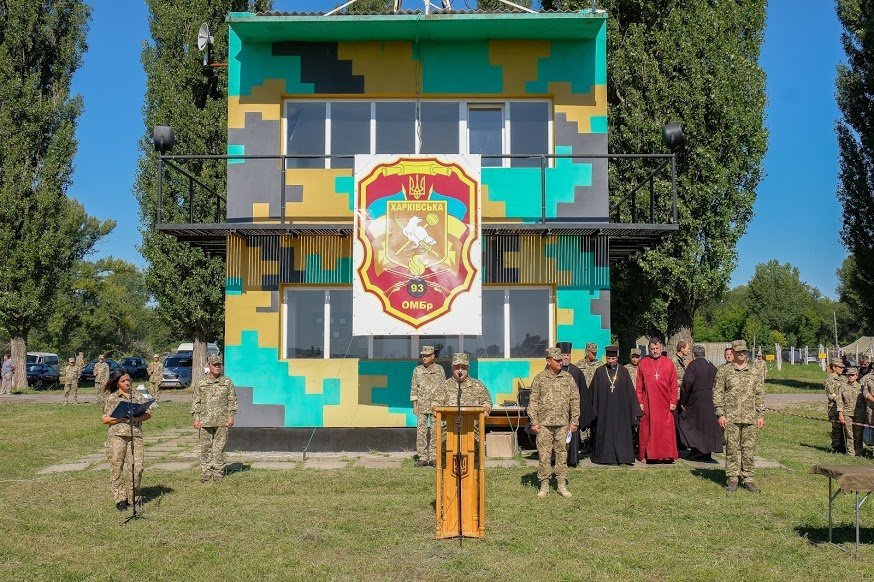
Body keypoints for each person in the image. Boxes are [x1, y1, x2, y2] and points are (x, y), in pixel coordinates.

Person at [713, 340, 765, 492]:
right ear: (733, 352)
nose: (742, 354)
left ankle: (748, 479)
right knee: (731, 449)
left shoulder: (754, 371)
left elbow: (759, 393)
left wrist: (760, 414)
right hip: (731, 417)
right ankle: (732, 478)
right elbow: (717, 393)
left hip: (750, 417)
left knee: (748, 450)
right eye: (739, 351)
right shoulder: (724, 371)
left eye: (744, 351)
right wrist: (720, 414)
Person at [527, 347, 579, 497]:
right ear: (548, 361)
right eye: (557, 360)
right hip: (543, 424)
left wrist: (574, 421)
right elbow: (533, 401)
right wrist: (534, 421)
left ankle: (561, 484)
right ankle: (544, 485)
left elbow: (575, 400)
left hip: (563, 424)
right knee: (544, 455)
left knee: (562, 455)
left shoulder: (568, 378)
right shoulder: (539, 378)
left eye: (561, 360)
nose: (560, 362)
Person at [102, 369, 152, 511]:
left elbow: (148, 414)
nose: (127, 383)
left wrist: (136, 418)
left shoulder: (137, 396)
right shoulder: (112, 398)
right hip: (117, 436)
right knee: (116, 467)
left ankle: (133, 497)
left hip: (135, 435)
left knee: (137, 468)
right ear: (117, 383)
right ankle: (120, 498)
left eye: (128, 380)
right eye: (123, 381)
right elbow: (105, 419)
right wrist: (120, 418)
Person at [590, 346, 642, 465]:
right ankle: (605, 457)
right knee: (605, 433)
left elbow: (630, 392)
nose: (611, 361)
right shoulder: (600, 371)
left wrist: (634, 410)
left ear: (617, 358)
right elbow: (594, 392)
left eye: (613, 358)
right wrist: (594, 410)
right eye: (608, 358)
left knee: (621, 433)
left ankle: (623, 456)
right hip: (604, 410)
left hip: (621, 410)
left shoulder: (623, 371)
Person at [191, 354, 238, 482]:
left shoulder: (227, 382)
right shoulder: (201, 383)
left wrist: (231, 416)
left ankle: (218, 472)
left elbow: (232, 400)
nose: (217, 367)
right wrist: (196, 418)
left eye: (219, 365)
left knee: (220, 447)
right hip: (205, 421)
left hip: (222, 420)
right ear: (209, 365)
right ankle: (207, 471)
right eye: (214, 365)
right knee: (205, 447)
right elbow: (196, 401)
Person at [635, 337, 678, 463]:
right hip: (648, 402)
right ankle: (647, 455)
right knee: (647, 429)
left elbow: (674, 384)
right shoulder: (643, 363)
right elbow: (639, 386)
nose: (655, 351)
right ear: (649, 349)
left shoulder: (668, 363)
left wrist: (673, 401)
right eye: (652, 349)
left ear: (661, 348)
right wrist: (640, 402)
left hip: (665, 403)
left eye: (657, 348)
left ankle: (666, 455)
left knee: (665, 429)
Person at [677, 344, 723, 461]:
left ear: (693, 355)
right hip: (711, 400)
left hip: (696, 400)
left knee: (693, 425)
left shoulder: (693, 365)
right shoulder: (712, 366)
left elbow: (687, 383)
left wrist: (683, 401)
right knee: (706, 427)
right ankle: (706, 452)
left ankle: (698, 451)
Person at [410, 345, 446, 466]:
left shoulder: (439, 369)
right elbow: (414, 387)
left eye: (427, 355)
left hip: (436, 406)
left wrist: (442, 404)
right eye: (423, 356)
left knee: (436, 431)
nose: (424, 358)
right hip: (422, 406)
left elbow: (444, 388)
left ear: (433, 356)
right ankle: (422, 457)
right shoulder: (417, 370)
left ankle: (434, 457)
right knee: (421, 432)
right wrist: (415, 405)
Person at [557, 342, 591, 467]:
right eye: (563, 355)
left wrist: (582, 411)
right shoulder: (554, 370)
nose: (565, 357)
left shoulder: (576, 371)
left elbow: (583, 393)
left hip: (572, 411)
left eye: (567, 355)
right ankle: (558, 460)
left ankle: (572, 459)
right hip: (558, 410)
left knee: (573, 435)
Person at [574, 342, 601, 452]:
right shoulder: (578, 365)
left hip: (595, 396)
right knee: (583, 418)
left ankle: (594, 443)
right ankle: (584, 443)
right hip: (583, 396)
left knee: (595, 419)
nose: (594, 354)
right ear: (587, 352)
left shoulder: (600, 365)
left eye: (595, 352)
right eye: (592, 352)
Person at [838, 367, 864, 457]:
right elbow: (840, 401)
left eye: (852, 375)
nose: (850, 377)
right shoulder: (843, 387)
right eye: (848, 375)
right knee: (849, 434)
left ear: (856, 376)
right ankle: (850, 452)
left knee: (858, 434)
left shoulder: (861, 387)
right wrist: (840, 414)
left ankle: (859, 452)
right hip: (847, 414)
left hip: (859, 414)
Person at [824, 357, 847, 453]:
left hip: (844, 408)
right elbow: (831, 395)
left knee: (844, 429)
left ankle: (844, 446)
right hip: (834, 409)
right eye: (840, 367)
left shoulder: (843, 378)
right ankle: (836, 447)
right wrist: (842, 400)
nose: (842, 369)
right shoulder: (829, 380)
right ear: (834, 367)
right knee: (837, 429)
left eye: (842, 367)